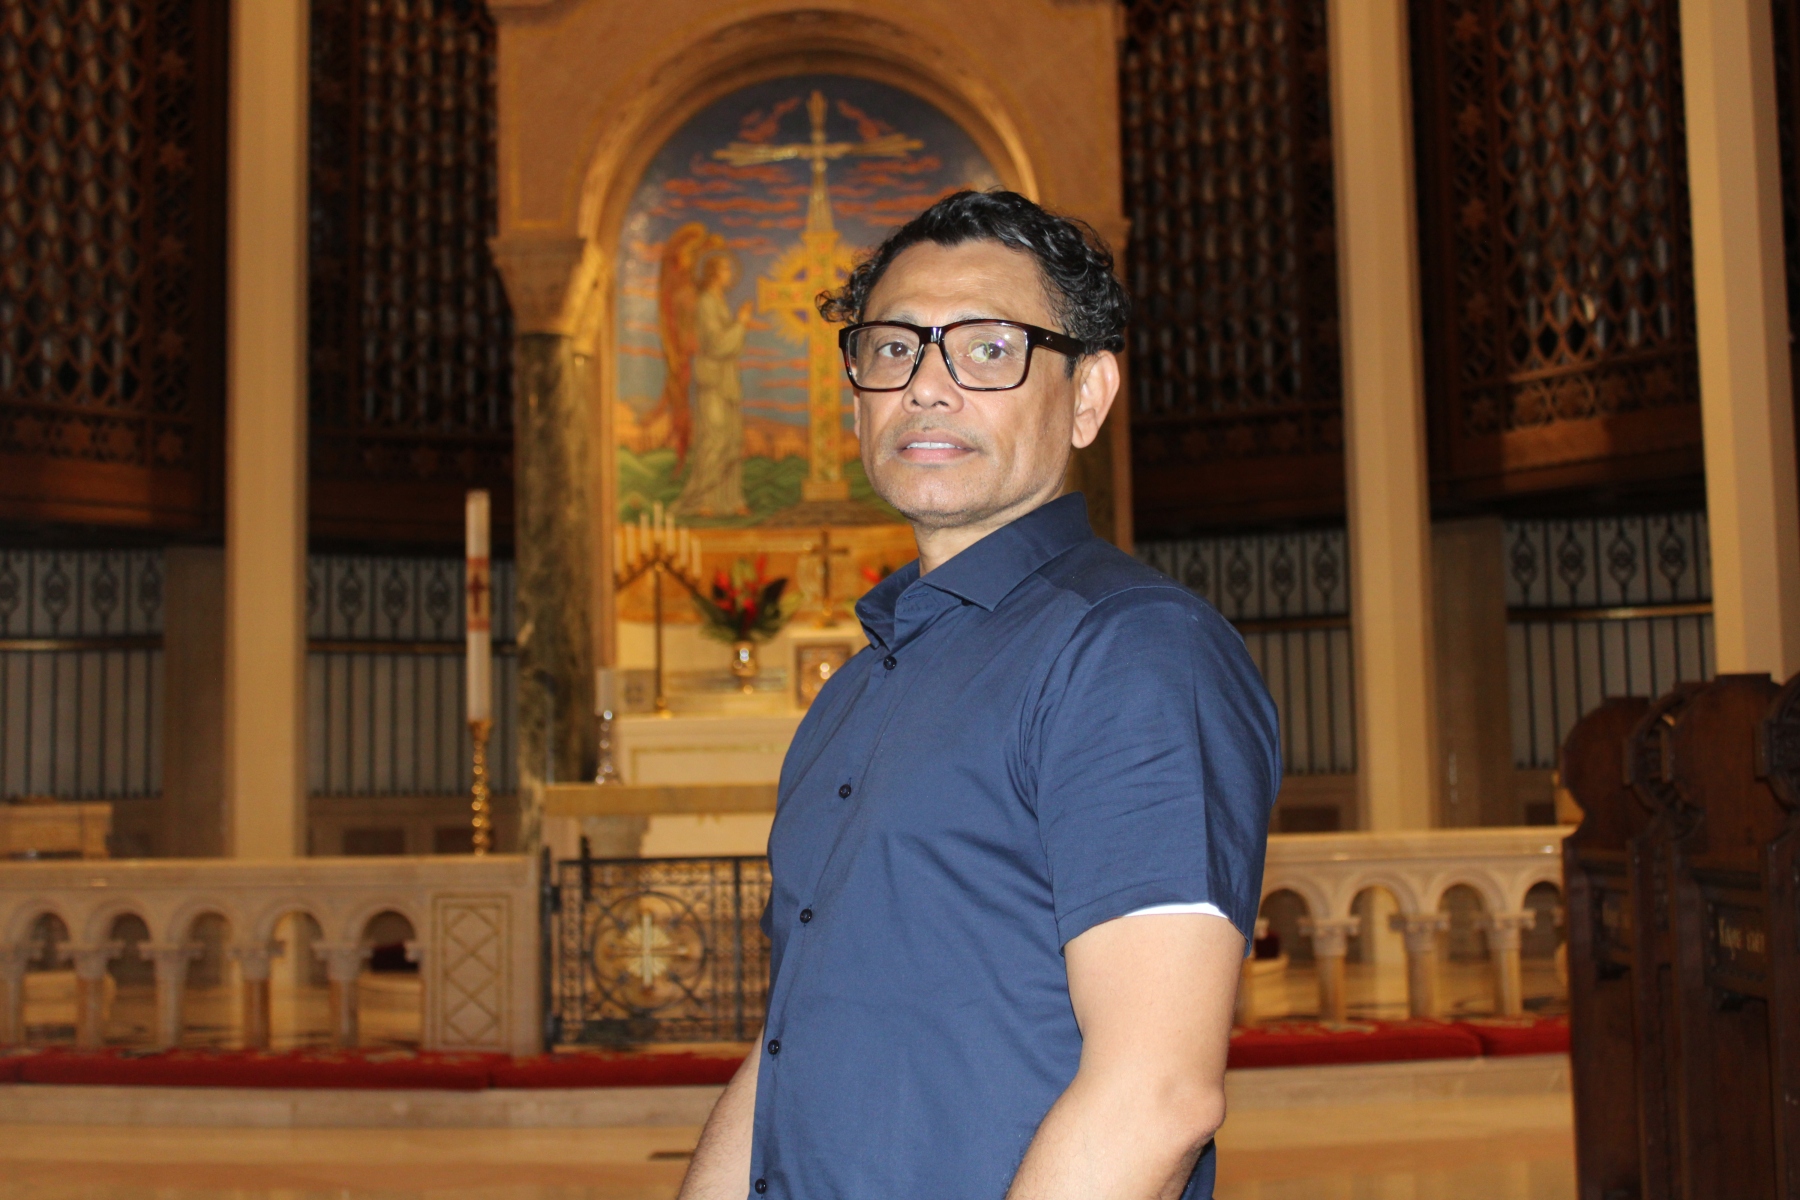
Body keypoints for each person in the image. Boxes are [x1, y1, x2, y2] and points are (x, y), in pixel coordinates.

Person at [676, 189, 1280, 1200]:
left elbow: (1157, 1095)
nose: (926, 387)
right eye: (892, 348)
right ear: (858, 395)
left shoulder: (1130, 651)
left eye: (989, 349)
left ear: (1088, 396)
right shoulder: (859, 688)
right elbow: (791, 1045)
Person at [676, 251, 752, 517]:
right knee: (714, 438)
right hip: (712, 382)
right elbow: (716, 344)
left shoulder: (718, 301)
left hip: (726, 382)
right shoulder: (706, 303)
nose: (730, 275)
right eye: (725, 270)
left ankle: (729, 500)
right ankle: (704, 499)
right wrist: (740, 323)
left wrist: (738, 324)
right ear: (713, 274)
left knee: (731, 439)